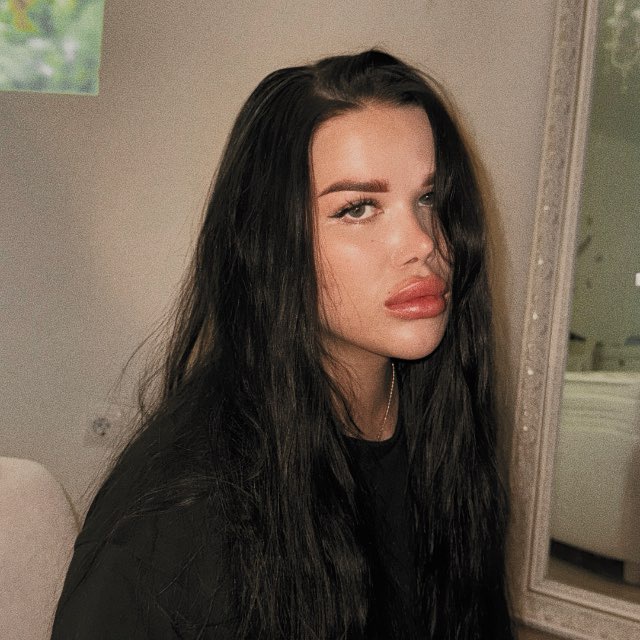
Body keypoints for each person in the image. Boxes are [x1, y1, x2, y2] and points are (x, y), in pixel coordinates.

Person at [52, 49, 514, 639]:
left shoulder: (444, 425)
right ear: (269, 243)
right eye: (358, 208)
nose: (422, 241)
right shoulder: (176, 522)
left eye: (430, 197)